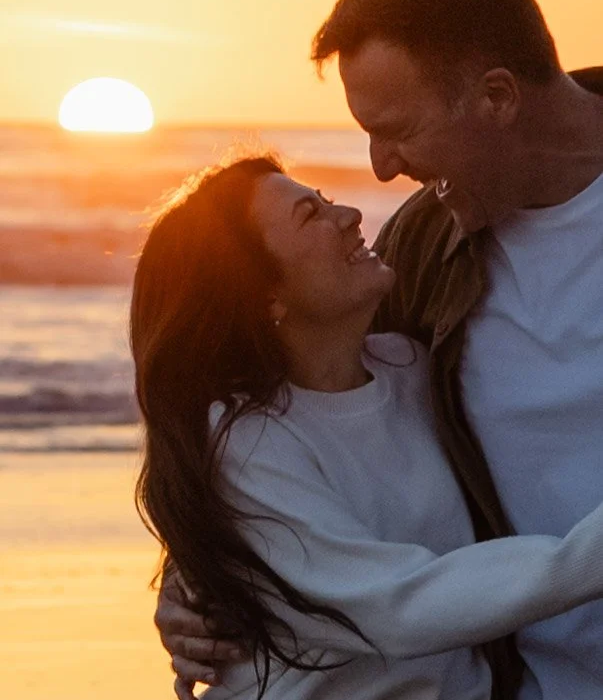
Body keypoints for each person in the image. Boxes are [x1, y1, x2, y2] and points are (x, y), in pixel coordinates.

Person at [157, 0, 603, 700]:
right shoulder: (422, 247)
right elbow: (310, 399)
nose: (380, 169)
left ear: (496, 97)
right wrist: (205, 571)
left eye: (396, 128)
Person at [132, 154, 603, 700]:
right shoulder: (245, 437)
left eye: (327, 199)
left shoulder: (413, 370)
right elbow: (397, 606)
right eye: (312, 215)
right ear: (264, 293)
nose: (352, 214)